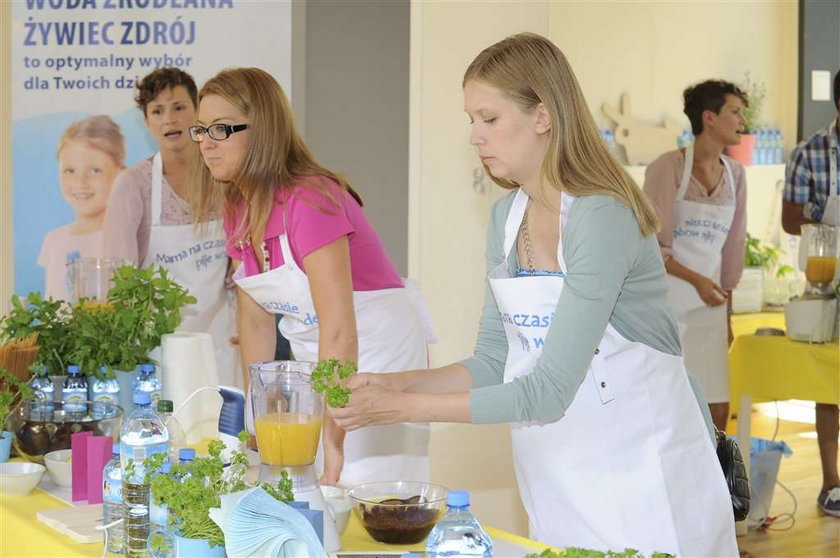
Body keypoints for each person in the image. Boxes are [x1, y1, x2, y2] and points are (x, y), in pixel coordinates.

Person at [329, 33, 738, 556]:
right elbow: (495, 360)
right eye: (470, 120)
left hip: (646, 474)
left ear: (543, 115)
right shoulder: (506, 219)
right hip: (560, 474)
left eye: (489, 118)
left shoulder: (602, 215)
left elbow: (547, 390)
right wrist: (387, 383)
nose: (475, 136)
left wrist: (402, 406)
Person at [190, 67, 431, 487]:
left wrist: (334, 437)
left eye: (221, 129)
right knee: (305, 482)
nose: (206, 143)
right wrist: (258, 419)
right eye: (201, 129)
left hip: (376, 351)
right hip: (318, 362)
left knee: (363, 487)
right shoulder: (237, 206)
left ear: (262, 130)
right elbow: (255, 320)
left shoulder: (310, 199)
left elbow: (339, 329)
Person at [102, 67, 239, 389]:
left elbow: (243, 269)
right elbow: (117, 277)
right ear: (147, 121)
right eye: (157, 110)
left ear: (198, 112)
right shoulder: (134, 184)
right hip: (157, 347)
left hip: (221, 339)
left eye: (179, 107)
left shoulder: (225, 178)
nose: (169, 119)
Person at [644, 80, 748, 432]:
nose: (742, 121)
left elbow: (733, 251)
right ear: (709, 117)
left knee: (718, 411)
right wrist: (699, 281)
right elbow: (653, 247)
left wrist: (728, 315)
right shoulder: (667, 168)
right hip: (668, 309)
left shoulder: (736, 176)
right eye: (735, 112)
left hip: (711, 309)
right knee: (673, 406)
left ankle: (716, 486)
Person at [781, 68, 840, 518]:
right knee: (828, 379)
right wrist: (824, 226)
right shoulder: (810, 152)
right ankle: (831, 482)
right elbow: (788, 219)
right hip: (826, 273)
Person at [39, 115, 126, 301]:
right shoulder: (53, 241)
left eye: (95, 170)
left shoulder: (124, 239)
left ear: (120, 175)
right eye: (70, 171)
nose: (80, 182)